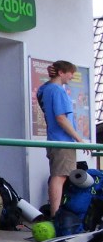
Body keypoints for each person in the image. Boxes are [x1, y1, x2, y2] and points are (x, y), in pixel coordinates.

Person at [37, 60, 83, 216]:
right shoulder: (58, 90)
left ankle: (56, 213)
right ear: (61, 72)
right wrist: (79, 139)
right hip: (63, 141)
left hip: (54, 139)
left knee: (58, 176)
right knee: (60, 177)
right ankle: (56, 215)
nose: (72, 76)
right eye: (70, 73)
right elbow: (61, 118)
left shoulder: (45, 89)